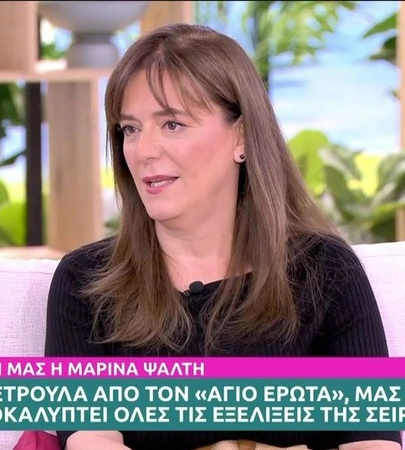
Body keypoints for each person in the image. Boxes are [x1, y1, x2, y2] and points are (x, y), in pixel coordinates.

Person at [44, 23, 401, 450]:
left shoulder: (326, 272)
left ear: (242, 136)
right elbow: (89, 440)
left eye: (172, 124)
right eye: (130, 129)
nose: (143, 151)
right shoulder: (84, 282)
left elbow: (375, 443)